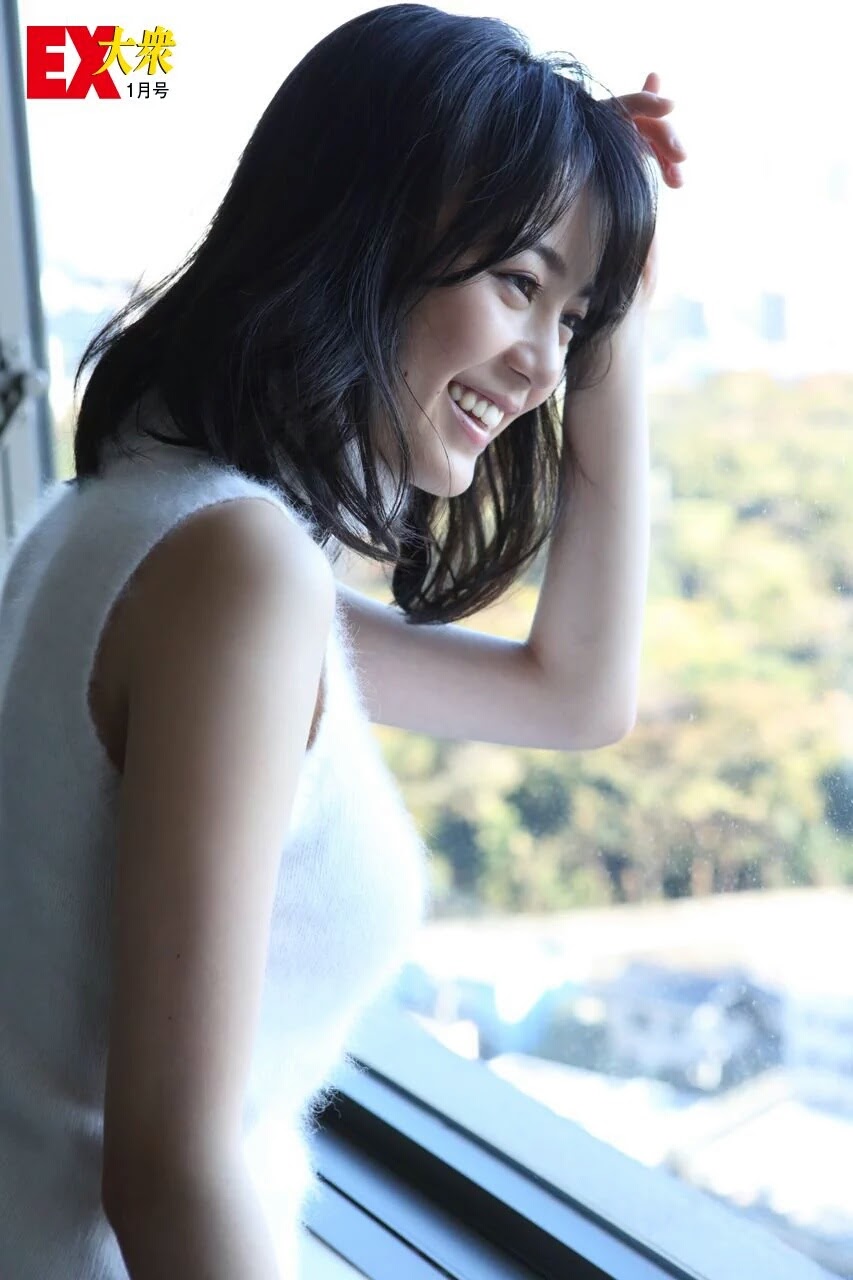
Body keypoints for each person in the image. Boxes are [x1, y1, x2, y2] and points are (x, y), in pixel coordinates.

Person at [0, 4, 686, 1277]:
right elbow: (167, 1171)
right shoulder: (234, 573)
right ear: (365, 234)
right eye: (518, 283)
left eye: (572, 321)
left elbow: (574, 694)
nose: (545, 368)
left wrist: (616, 322)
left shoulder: (130, 521)